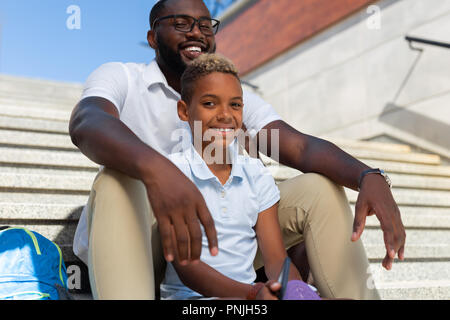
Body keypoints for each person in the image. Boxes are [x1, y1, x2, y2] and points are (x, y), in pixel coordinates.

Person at [69, 0, 405, 300]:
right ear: (153, 37)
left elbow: (298, 146)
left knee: (318, 188)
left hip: (222, 245)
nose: (197, 33)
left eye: (205, 25)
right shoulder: (123, 77)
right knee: (115, 180)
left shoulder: (233, 100)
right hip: (143, 242)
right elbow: (87, 121)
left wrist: (369, 175)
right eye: (181, 23)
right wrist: (159, 172)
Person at [160, 53, 307, 300]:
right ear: (184, 111)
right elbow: (187, 266)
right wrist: (253, 293)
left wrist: (298, 294)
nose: (226, 115)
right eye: (209, 103)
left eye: (235, 104)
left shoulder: (256, 173)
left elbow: (276, 260)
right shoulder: (172, 172)